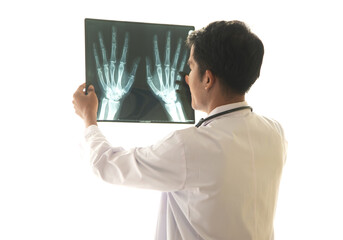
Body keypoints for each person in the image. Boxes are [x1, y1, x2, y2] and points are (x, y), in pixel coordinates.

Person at [73, 20, 287, 240]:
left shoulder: (189, 147)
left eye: (191, 67)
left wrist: (89, 117)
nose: (186, 77)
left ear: (207, 78)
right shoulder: (275, 134)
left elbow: (106, 165)